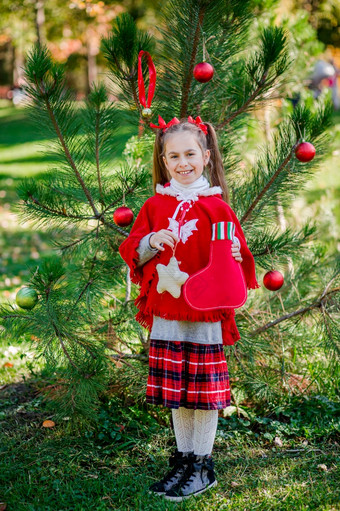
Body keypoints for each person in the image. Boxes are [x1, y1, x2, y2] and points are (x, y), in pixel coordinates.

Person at [119, 116, 259, 502]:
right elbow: (132, 250)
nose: (183, 163)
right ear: (163, 161)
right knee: (176, 390)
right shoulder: (154, 206)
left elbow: (242, 261)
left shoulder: (219, 209)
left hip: (204, 313)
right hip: (167, 312)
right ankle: (182, 460)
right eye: (173, 156)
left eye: (190, 154)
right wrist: (150, 240)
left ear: (207, 155)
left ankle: (202, 464)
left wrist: (234, 255)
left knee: (201, 391)